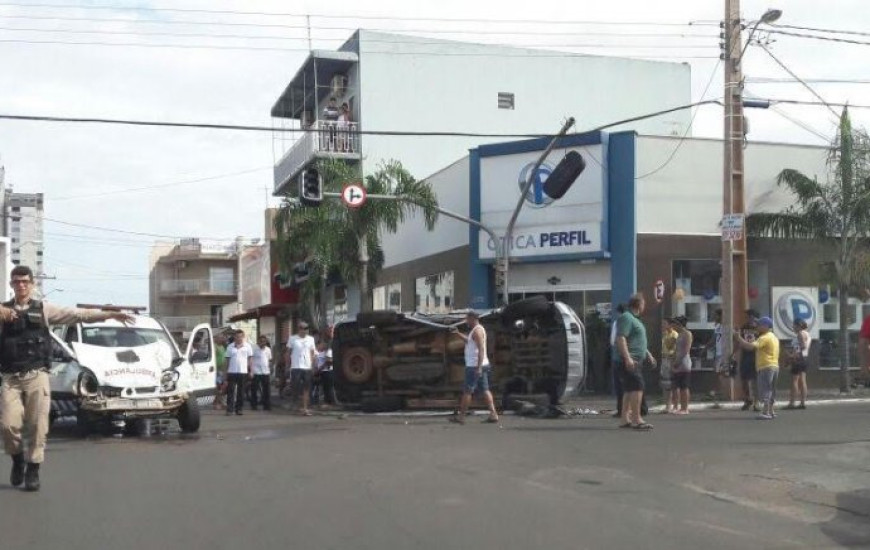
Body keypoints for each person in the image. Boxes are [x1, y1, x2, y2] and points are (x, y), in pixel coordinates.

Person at [0, 265, 134, 492]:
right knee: (8, 425)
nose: (21, 285)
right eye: (16, 282)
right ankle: (17, 460)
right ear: (11, 285)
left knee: (37, 425)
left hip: (37, 375)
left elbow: (78, 314)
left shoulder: (43, 309)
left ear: (32, 284)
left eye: (25, 281)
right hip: (10, 377)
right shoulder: (3, 311)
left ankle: (33, 468)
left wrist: (108, 314)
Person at [614, 293, 656, 430]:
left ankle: (624, 419)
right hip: (630, 360)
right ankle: (637, 419)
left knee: (629, 389)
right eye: (643, 303)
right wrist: (628, 358)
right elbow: (621, 338)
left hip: (637, 359)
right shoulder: (626, 317)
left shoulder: (635, 319)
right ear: (638, 304)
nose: (644, 306)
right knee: (638, 387)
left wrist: (648, 355)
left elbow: (638, 341)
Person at [450, 311, 499, 424]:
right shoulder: (476, 330)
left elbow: (481, 349)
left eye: (467, 319)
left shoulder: (477, 331)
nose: (466, 321)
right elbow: (469, 341)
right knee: (485, 390)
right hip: (480, 364)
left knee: (468, 391)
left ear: (472, 318)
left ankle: (461, 417)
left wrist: (479, 367)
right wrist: (457, 333)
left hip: (474, 366)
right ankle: (493, 414)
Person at [735, 316, 780, 420]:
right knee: (772, 389)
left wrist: (739, 338)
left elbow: (750, 347)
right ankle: (771, 411)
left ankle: (765, 412)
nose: (757, 327)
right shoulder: (774, 337)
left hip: (765, 366)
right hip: (774, 365)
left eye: (759, 325)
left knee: (765, 389)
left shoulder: (764, 337)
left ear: (765, 326)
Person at [285, 321, 317, 416]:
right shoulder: (293, 339)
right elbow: (288, 353)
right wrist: (287, 365)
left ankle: (305, 408)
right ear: (298, 329)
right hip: (296, 367)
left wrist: (313, 365)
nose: (304, 330)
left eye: (306, 328)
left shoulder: (311, 339)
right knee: (296, 387)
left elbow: (312, 353)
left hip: (307, 367)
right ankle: (296, 404)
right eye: (302, 328)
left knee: (307, 388)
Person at [225, 330, 253, 416]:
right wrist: (225, 372)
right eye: (237, 336)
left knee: (241, 392)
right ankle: (230, 409)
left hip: (243, 372)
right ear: (234, 337)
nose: (239, 338)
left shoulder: (248, 346)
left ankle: (239, 409)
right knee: (231, 391)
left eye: (240, 336)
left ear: (243, 337)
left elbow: (250, 360)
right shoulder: (230, 347)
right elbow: (227, 360)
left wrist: (251, 371)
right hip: (232, 371)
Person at [670, 316, 693, 415]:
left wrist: (678, 361)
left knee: (684, 386)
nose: (673, 325)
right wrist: (674, 360)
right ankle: (679, 406)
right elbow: (677, 349)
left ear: (679, 324)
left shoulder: (687, 334)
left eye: (674, 323)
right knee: (677, 385)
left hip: (684, 362)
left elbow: (686, 350)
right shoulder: (679, 334)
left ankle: (685, 408)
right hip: (677, 362)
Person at [737, 310, 760, 411]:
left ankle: (757, 402)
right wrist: (733, 353)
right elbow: (739, 341)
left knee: (756, 380)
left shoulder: (760, 328)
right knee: (744, 379)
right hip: (745, 355)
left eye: (750, 316)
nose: (748, 318)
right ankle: (748, 399)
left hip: (756, 355)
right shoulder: (744, 327)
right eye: (748, 316)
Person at [786, 320, 810, 410]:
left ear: (798, 326)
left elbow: (802, 346)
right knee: (803, 380)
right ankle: (802, 402)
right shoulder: (806, 334)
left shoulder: (800, 334)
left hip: (798, 359)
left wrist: (793, 355)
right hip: (804, 358)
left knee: (794, 380)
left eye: (794, 326)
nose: (793, 328)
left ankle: (792, 403)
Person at [711, 309, 734, 401]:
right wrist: (706, 348)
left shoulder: (727, 327)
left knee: (721, 373)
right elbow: (714, 339)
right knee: (718, 373)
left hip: (724, 354)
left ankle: (721, 392)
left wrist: (731, 352)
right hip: (718, 353)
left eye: (716, 315)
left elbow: (733, 339)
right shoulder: (718, 327)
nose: (714, 318)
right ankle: (718, 391)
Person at [660, 318, 679, 414]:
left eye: (664, 324)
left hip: (671, 359)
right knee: (666, 384)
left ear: (670, 325)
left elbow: (670, 347)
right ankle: (667, 405)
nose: (662, 326)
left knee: (672, 384)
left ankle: (674, 405)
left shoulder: (674, 334)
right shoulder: (665, 334)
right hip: (664, 359)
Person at [250, 336, 273, 411]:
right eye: (261, 341)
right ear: (258, 342)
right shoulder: (254, 349)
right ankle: (254, 405)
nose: (262, 343)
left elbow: (269, 360)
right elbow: (250, 360)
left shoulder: (268, 349)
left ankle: (267, 406)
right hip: (256, 372)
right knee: (254, 389)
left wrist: (270, 368)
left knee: (267, 389)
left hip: (265, 372)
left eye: (264, 341)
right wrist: (251, 371)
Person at [314, 339, 337, 407]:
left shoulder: (328, 351)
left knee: (329, 387)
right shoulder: (320, 353)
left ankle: (331, 402)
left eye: (321, 344)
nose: (320, 346)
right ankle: (326, 402)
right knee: (325, 387)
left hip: (328, 371)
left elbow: (328, 362)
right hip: (322, 372)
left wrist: (319, 369)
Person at [213, 333, 228, 410]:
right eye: (220, 338)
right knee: (219, 387)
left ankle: (218, 401)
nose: (222, 339)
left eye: (222, 338)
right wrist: (217, 369)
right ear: (216, 339)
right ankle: (217, 403)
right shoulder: (214, 347)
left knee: (223, 387)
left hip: (222, 370)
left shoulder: (222, 347)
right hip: (217, 370)